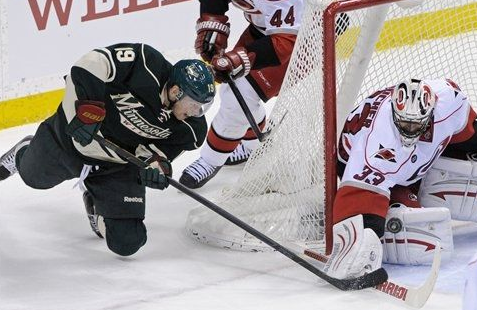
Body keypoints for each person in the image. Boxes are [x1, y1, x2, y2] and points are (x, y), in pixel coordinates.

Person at [0, 43, 216, 256]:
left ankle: (96, 206)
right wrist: (89, 109)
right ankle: (25, 149)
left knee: (128, 242)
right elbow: (91, 63)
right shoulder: (144, 63)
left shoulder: (191, 130)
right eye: (194, 104)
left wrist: (157, 169)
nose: (197, 112)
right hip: (72, 138)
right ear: (176, 91)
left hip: (115, 165)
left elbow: (158, 157)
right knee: (33, 178)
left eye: (202, 107)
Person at [317, 78, 477, 280]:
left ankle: (416, 184)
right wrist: (357, 242)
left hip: (404, 163)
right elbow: (356, 193)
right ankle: (400, 199)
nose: (409, 130)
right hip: (350, 159)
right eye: (404, 123)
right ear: (394, 112)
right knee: (415, 227)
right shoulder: (377, 144)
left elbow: (469, 129)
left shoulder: (450, 103)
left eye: (416, 124)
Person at [178, 0, 305, 189]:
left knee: (241, 96)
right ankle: (254, 146)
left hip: (303, 38)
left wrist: (240, 59)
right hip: (268, 30)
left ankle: (211, 160)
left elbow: (286, 43)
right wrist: (212, 23)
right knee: (233, 88)